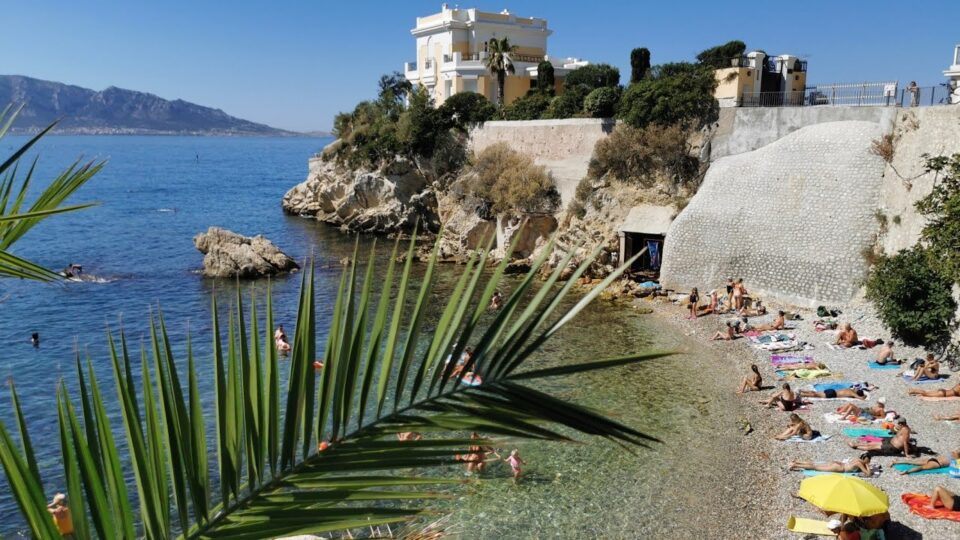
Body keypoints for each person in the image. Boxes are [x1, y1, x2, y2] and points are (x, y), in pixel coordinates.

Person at [847, 418, 913, 457]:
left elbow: (905, 442)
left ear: (901, 424)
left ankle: (855, 446)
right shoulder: (903, 427)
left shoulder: (906, 431)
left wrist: (906, 454)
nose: (898, 425)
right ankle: (856, 444)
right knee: (873, 443)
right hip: (890, 442)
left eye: (899, 424)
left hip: (893, 447)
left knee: (871, 447)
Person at [789, 453, 873, 476]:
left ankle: (797, 462)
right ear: (866, 460)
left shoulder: (857, 459)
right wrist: (867, 466)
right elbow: (868, 474)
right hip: (839, 468)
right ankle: (795, 465)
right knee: (815, 467)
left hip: (838, 463)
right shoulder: (860, 463)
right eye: (868, 461)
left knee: (815, 464)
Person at [893, 449, 959, 475]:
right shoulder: (957, 458)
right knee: (921, 467)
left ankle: (897, 462)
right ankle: (907, 472)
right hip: (937, 463)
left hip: (933, 459)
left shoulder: (952, 452)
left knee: (912, 462)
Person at [799, 387, 868, 400]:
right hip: (832, 394)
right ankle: (802, 394)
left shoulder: (850, 390)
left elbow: (860, 397)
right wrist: (864, 396)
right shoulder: (851, 392)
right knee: (815, 395)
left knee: (815, 393)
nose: (856, 388)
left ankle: (802, 391)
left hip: (832, 390)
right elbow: (861, 398)